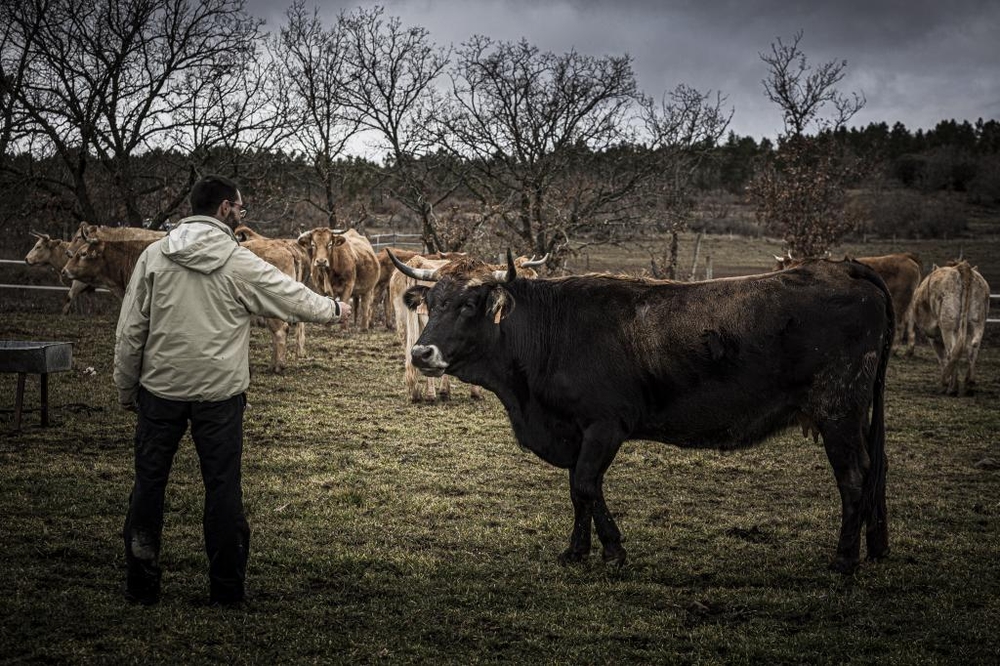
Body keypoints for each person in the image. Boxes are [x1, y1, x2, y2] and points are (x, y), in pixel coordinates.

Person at [113, 174, 351, 607]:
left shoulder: (154, 256)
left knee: (148, 485)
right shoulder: (239, 261)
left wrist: (126, 386)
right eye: (240, 208)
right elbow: (289, 295)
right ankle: (226, 590)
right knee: (223, 489)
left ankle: (141, 585)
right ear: (224, 209)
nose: (242, 216)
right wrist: (333, 309)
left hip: (160, 392)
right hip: (220, 396)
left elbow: (131, 329)